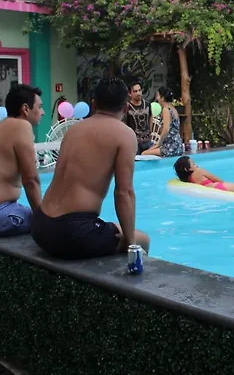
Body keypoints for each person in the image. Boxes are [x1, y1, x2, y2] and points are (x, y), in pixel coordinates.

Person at [31, 77, 150, 259]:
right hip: (73, 233)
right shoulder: (125, 135)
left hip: (41, 225)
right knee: (143, 240)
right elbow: (124, 193)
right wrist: (131, 243)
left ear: (93, 104)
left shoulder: (73, 131)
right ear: (126, 108)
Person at [0, 84, 44, 237]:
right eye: (39, 107)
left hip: (6, 209)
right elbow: (30, 180)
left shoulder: (3, 126)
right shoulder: (21, 126)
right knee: (58, 223)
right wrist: (43, 222)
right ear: (25, 109)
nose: (43, 112)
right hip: (3, 213)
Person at [142, 87, 183, 158]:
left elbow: (166, 129)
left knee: (144, 154)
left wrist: (158, 143)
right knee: (149, 150)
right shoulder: (173, 109)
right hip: (177, 144)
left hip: (170, 147)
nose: (156, 98)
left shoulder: (166, 110)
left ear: (162, 98)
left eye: (158, 96)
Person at [124, 81, 152, 155]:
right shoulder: (127, 107)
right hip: (134, 142)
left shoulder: (147, 104)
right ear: (130, 93)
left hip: (148, 140)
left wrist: (151, 132)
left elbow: (150, 118)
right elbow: (124, 123)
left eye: (139, 90)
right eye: (135, 91)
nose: (138, 93)